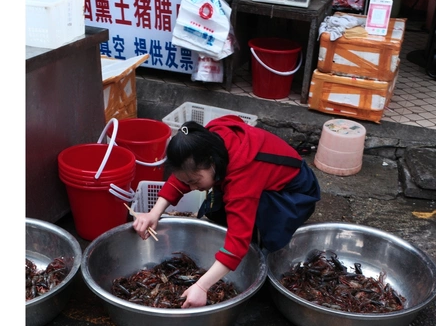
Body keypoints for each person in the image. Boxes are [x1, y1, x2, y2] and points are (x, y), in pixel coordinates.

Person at [132, 115, 320, 308]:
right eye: (188, 182)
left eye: (195, 181)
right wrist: (154, 213)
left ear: (212, 162)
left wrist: (202, 286)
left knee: (262, 227)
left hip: (295, 193)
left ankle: (263, 257)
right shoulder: (207, 141)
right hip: (257, 178)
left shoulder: (242, 177)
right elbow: (184, 176)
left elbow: (238, 241)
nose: (192, 187)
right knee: (220, 205)